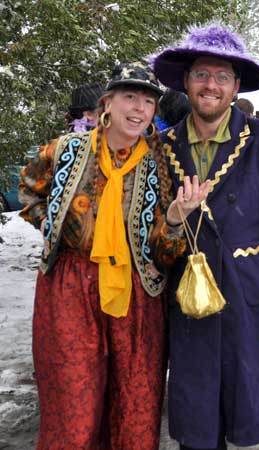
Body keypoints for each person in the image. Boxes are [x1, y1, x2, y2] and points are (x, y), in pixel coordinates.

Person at [152, 24, 259, 450]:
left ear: (237, 86)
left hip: (253, 301)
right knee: (200, 427)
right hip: (191, 305)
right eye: (202, 74)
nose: (211, 85)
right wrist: (171, 217)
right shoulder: (161, 146)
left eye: (223, 77)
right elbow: (151, 231)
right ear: (186, 80)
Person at [18, 62, 185, 450]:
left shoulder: (162, 163)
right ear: (107, 102)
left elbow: (163, 250)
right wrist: (51, 225)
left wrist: (174, 222)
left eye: (148, 101)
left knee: (135, 408)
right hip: (69, 290)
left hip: (139, 293)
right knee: (71, 405)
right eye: (130, 97)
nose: (139, 108)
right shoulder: (66, 150)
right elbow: (28, 190)